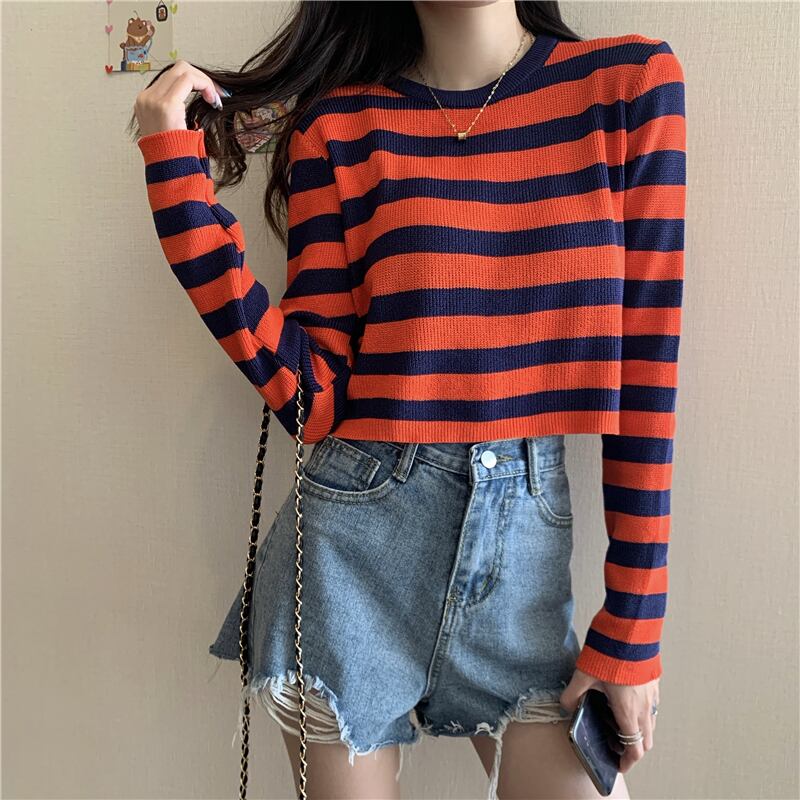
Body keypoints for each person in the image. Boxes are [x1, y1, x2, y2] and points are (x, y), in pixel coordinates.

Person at [131, 1, 685, 797]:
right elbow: (312, 399)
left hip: (523, 575)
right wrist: (179, 191)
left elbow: (648, 379)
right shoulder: (340, 128)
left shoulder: (626, 88)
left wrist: (632, 627)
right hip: (352, 556)